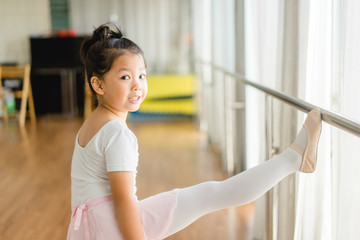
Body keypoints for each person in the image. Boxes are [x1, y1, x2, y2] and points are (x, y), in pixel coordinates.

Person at [67, 23, 322, 240]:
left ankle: (294, 158)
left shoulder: (94, 122)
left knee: (207, 194)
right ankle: (294, 158)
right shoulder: (117, 134)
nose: (137, 86)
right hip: (109, 226)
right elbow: (123, 200)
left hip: (92, 226)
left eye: (142, 76)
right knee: (212, 194)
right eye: (125, 78)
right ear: (97, 84)